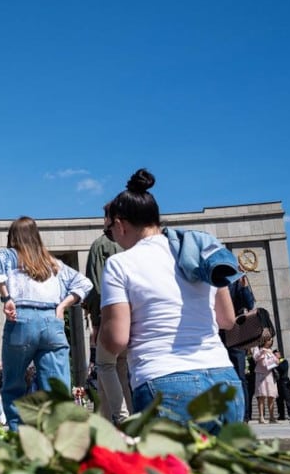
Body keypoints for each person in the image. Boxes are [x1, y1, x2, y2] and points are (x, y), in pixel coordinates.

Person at [99, 169, 243, 434]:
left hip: (165, 381)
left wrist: (103, 331)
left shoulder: (119, 264)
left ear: (120, 224)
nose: (113, 236)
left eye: (109, 231)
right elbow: (227, 320)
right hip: (224, 378)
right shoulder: (200, 250)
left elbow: (117, 339)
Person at [0, 216, 92, 431]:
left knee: (14, 383)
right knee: (57, 385)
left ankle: (18, 433)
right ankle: (58, 433)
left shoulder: (11, 256)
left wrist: (6, 298)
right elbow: (84, 283)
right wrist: (62, 307)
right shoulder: (53, 264)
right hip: (52, 321)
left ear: (13, 237)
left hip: (21, 319)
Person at [85, 208, 131, 425]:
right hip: (132, 318)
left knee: (106, 367)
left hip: (109, 317)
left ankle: (120, 421)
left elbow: (95, 287)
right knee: (119, 370)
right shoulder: (131, 244)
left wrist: (95, 323)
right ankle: (113, 423)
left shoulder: (100, 245)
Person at [226, 271, 256, 421]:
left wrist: (243, 286)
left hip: (235, 335)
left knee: (239, 376)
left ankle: (244, 415)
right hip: (214, 335)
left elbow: (250, 304)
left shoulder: (236, 282)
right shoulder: (210, 281)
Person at [251, 331, 278, 423]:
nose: (270, 341)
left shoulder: (271, 350)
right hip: (260, 374)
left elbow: (276, 361)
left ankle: (272, 416)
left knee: (271, 396)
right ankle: (261, 417)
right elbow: (256, 358)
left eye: (271, 340)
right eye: (269, 340)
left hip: (269, 374)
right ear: (264, 340)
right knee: (261, 396)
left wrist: (275, 358)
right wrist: (263, 351)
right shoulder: (257, 348)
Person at [273, 350, 290, 421]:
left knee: (287, 398)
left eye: (277, 354)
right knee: (279, 400)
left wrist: (277, 364)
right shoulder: (273, 363)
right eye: (274, 355)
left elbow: (283, 369)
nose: (276, 356)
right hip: (277, 382)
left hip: (284, 382)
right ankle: (281, 415)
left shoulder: (284, 361)